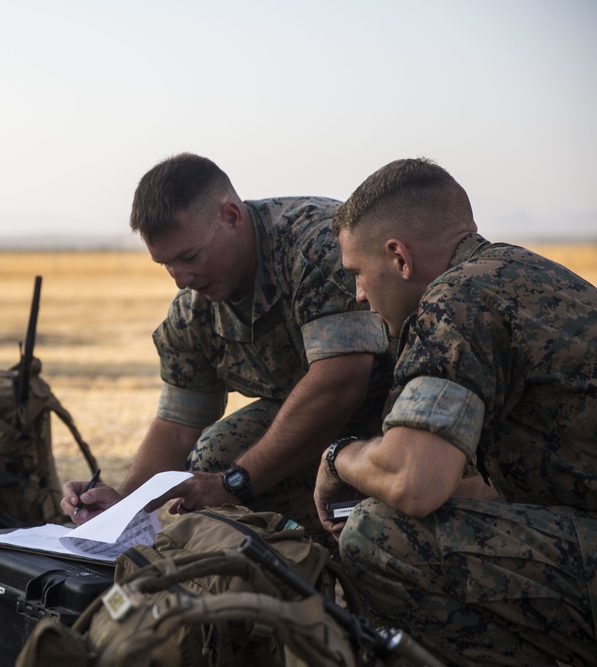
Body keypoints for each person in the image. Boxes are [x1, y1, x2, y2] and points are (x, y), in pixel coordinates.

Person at [314, 157, 597, 665]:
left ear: (399, 258)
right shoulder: (525, 274)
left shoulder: (457, 299)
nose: (358, 294)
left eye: (358, 273)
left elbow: (414, 482)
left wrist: (340, 459)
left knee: (378, 535)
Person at [62, 153, 392, 544]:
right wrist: (124, 505)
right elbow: (177, 426)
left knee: (224, 473)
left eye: (189, 257)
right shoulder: (191, 316)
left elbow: (340, 381)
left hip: (401, 414)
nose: (180, 281)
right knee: (214, 455)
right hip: (321, 426)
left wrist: (233, 483)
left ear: (231, 217)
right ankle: (296, 573)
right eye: (166, 264)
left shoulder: (314, 245)